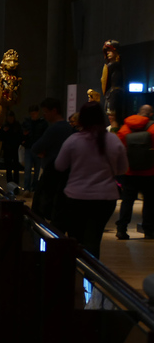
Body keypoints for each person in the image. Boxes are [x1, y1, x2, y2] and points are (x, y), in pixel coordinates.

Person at [54, 101, 128, 258]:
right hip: (105, 198)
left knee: (77, 238)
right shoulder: (113, 140)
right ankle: (91, 276)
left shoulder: (74, 140)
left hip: (76, 197)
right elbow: (123, 169)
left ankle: (77, 272)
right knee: (94, 238)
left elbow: (59, 165)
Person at [31, 98, 75, 227]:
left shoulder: (54, 129)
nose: (44, 115)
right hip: (66, 174)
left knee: (41, 206)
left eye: (46, 112)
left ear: (54, 111)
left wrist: (42, 152)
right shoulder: (68, 128)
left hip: (51, 172)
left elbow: (36, 147)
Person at [114, 104, 154, 239]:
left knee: (127, 201)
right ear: (150, 115)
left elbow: (119, 150)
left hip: (129, 172)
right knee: (149, 202)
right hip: (149, 172)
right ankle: (149, 231)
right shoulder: (153, 128)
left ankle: (121, 229)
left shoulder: (125, 128)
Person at [21, 105, 48, 196]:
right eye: (31, 114)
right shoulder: (27, 122)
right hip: (29, 148)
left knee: (37, 171)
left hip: (38, 149)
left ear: (37, 113)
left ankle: (34, 188)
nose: (33, 115)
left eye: (34, 114)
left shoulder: (42, 123)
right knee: (27, 170)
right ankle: (27, 188)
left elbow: (45, 136)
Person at [0, 111, 22, 185]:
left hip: (15, 149)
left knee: (16, 168)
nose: (10, 119)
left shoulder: (17, 125)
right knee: (8, 169)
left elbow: (20, 136)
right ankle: (10, 183)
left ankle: (16, 184)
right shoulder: (5, 126)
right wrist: (4, 131)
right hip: (7, 149)